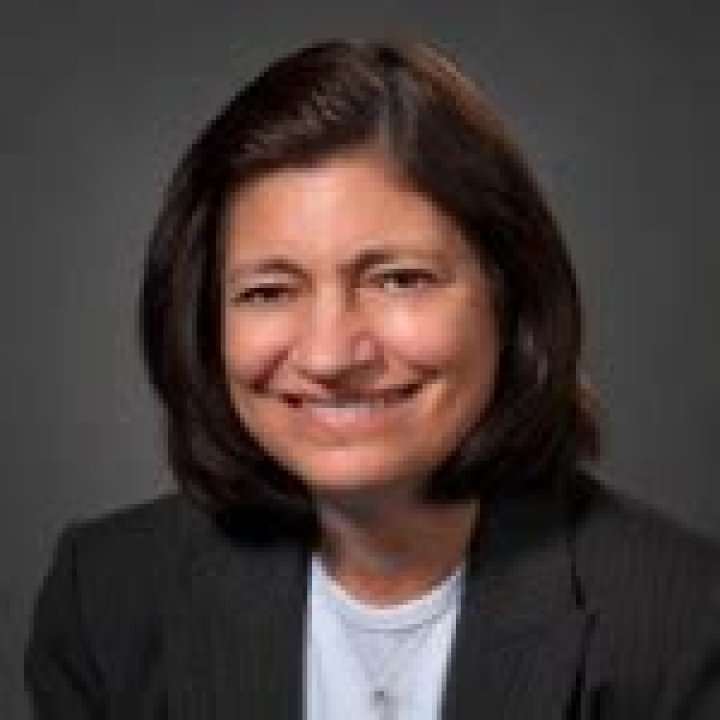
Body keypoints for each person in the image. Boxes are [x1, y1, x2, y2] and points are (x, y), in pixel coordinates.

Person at [25, 38, 720, 719]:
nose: (330, 355)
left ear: (509, 300)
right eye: (270, 291)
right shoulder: (107, 600)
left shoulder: (685, 620)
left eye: (398, 279)